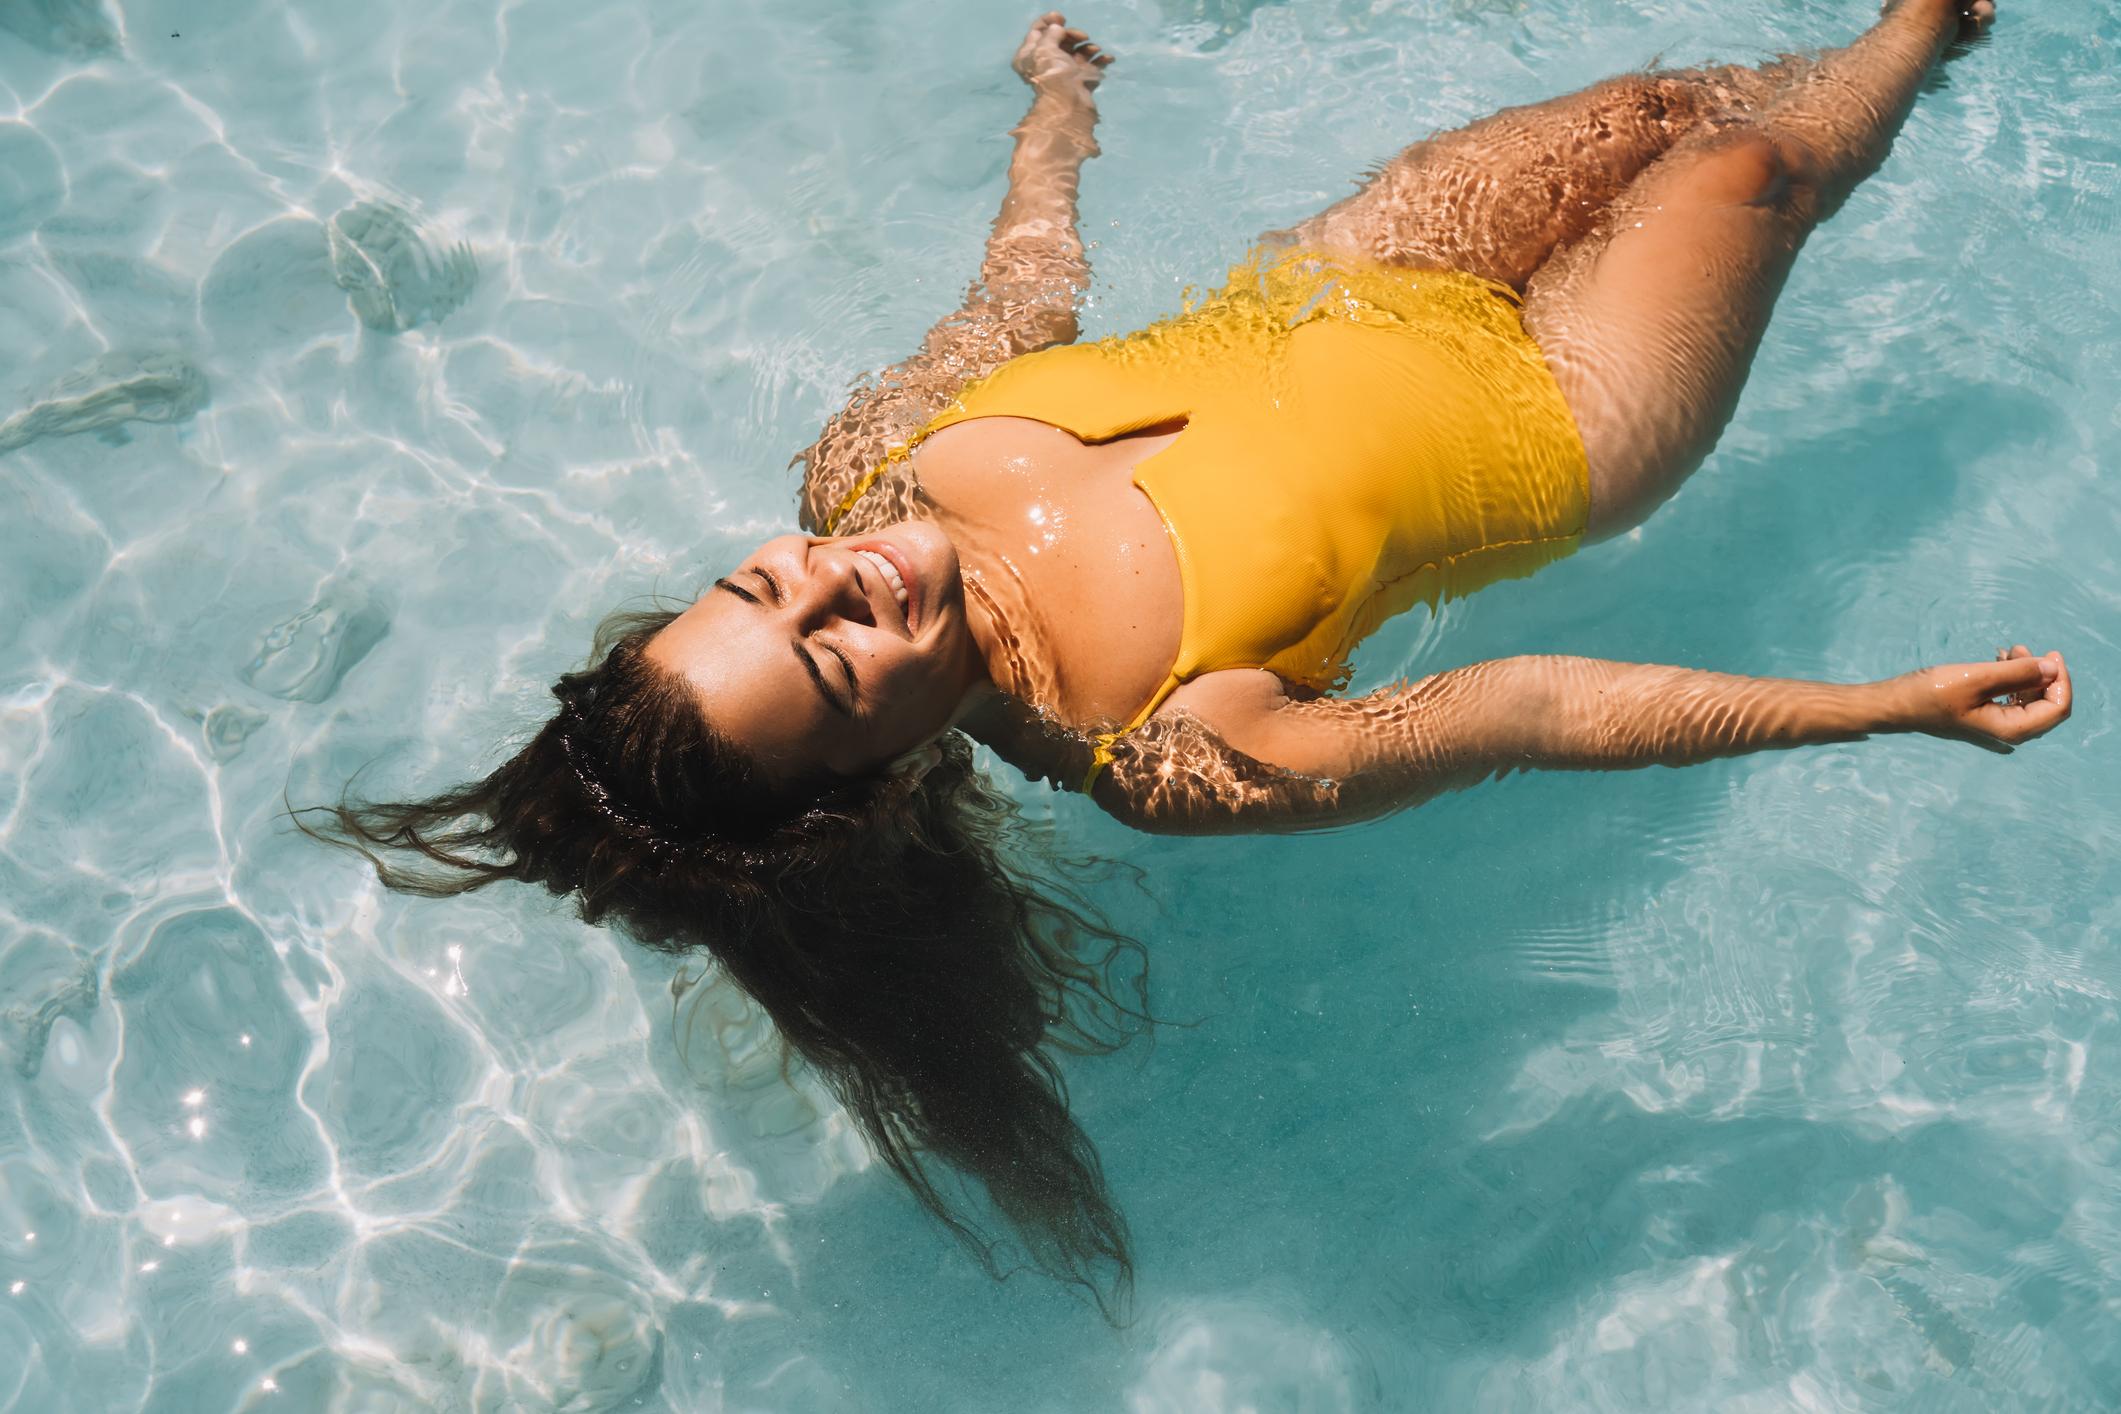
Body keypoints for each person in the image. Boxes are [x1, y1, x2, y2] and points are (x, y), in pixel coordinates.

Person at [307, 2, 2070, 1316]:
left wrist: (1056, 117)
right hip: (1564, 414)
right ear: (878, 779)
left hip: (1351, 276)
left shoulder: (863, 462)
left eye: (754, 586)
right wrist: (1878, 709)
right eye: (833, 662)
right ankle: (1923, 24)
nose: (831, 580)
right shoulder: (1168, 747)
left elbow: (1021, 293)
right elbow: (1527, 705)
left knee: (1653, 112)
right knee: (1746, 167)